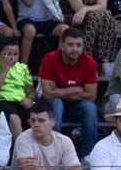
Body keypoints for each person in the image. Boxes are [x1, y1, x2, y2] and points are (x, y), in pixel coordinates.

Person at [38, 29, 98, 158]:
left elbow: (91, 95)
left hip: (76, 107)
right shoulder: (50, 59)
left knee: (90, 107)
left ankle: (88, 155)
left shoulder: (89, 62)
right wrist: (76, 89)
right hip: (53, 106)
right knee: (56, 103)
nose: (75, 49)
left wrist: (58, 91)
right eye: (70, 45)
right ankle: (53, 153)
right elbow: (48, 94)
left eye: (78, 45)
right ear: (62, 45)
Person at [0, 39, 35, 139]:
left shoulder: (23, 68)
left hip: (20, 102)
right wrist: (3, 71)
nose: (13, 58)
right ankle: (20, 152)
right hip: (0, 101)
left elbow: (30, 91)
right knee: (15, 120)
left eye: (16, 54)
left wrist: (30, 99)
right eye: (8, 54)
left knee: (37, 120)